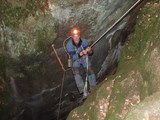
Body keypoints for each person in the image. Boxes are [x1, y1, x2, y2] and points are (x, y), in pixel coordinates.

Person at [66, 27, 96, 97]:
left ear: (79, 36)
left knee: (90, 70)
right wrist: (80, 53)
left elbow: (90, 54)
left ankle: (93, 87)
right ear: (72, 37)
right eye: (74, 37)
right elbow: (73, 57)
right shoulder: (69, 45)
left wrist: (90, 51)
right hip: (76, 60)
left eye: (77, 36)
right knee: (76, 73)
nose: (76, 38)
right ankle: (83, 91)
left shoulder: (84, 41)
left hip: (84, 58)